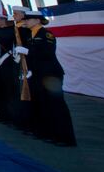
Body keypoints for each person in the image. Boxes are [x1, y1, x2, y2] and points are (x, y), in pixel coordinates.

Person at [16, 10, 77, 146]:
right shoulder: (31, 35)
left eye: (28, 19)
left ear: (38, 20)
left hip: (51, 75)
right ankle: (48, 133)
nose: (25, 22)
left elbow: (47, 52)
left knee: (56, 106)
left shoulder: (46, 34)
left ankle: (65, 138)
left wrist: (28, 51)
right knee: (43, 105)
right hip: (38, 74)